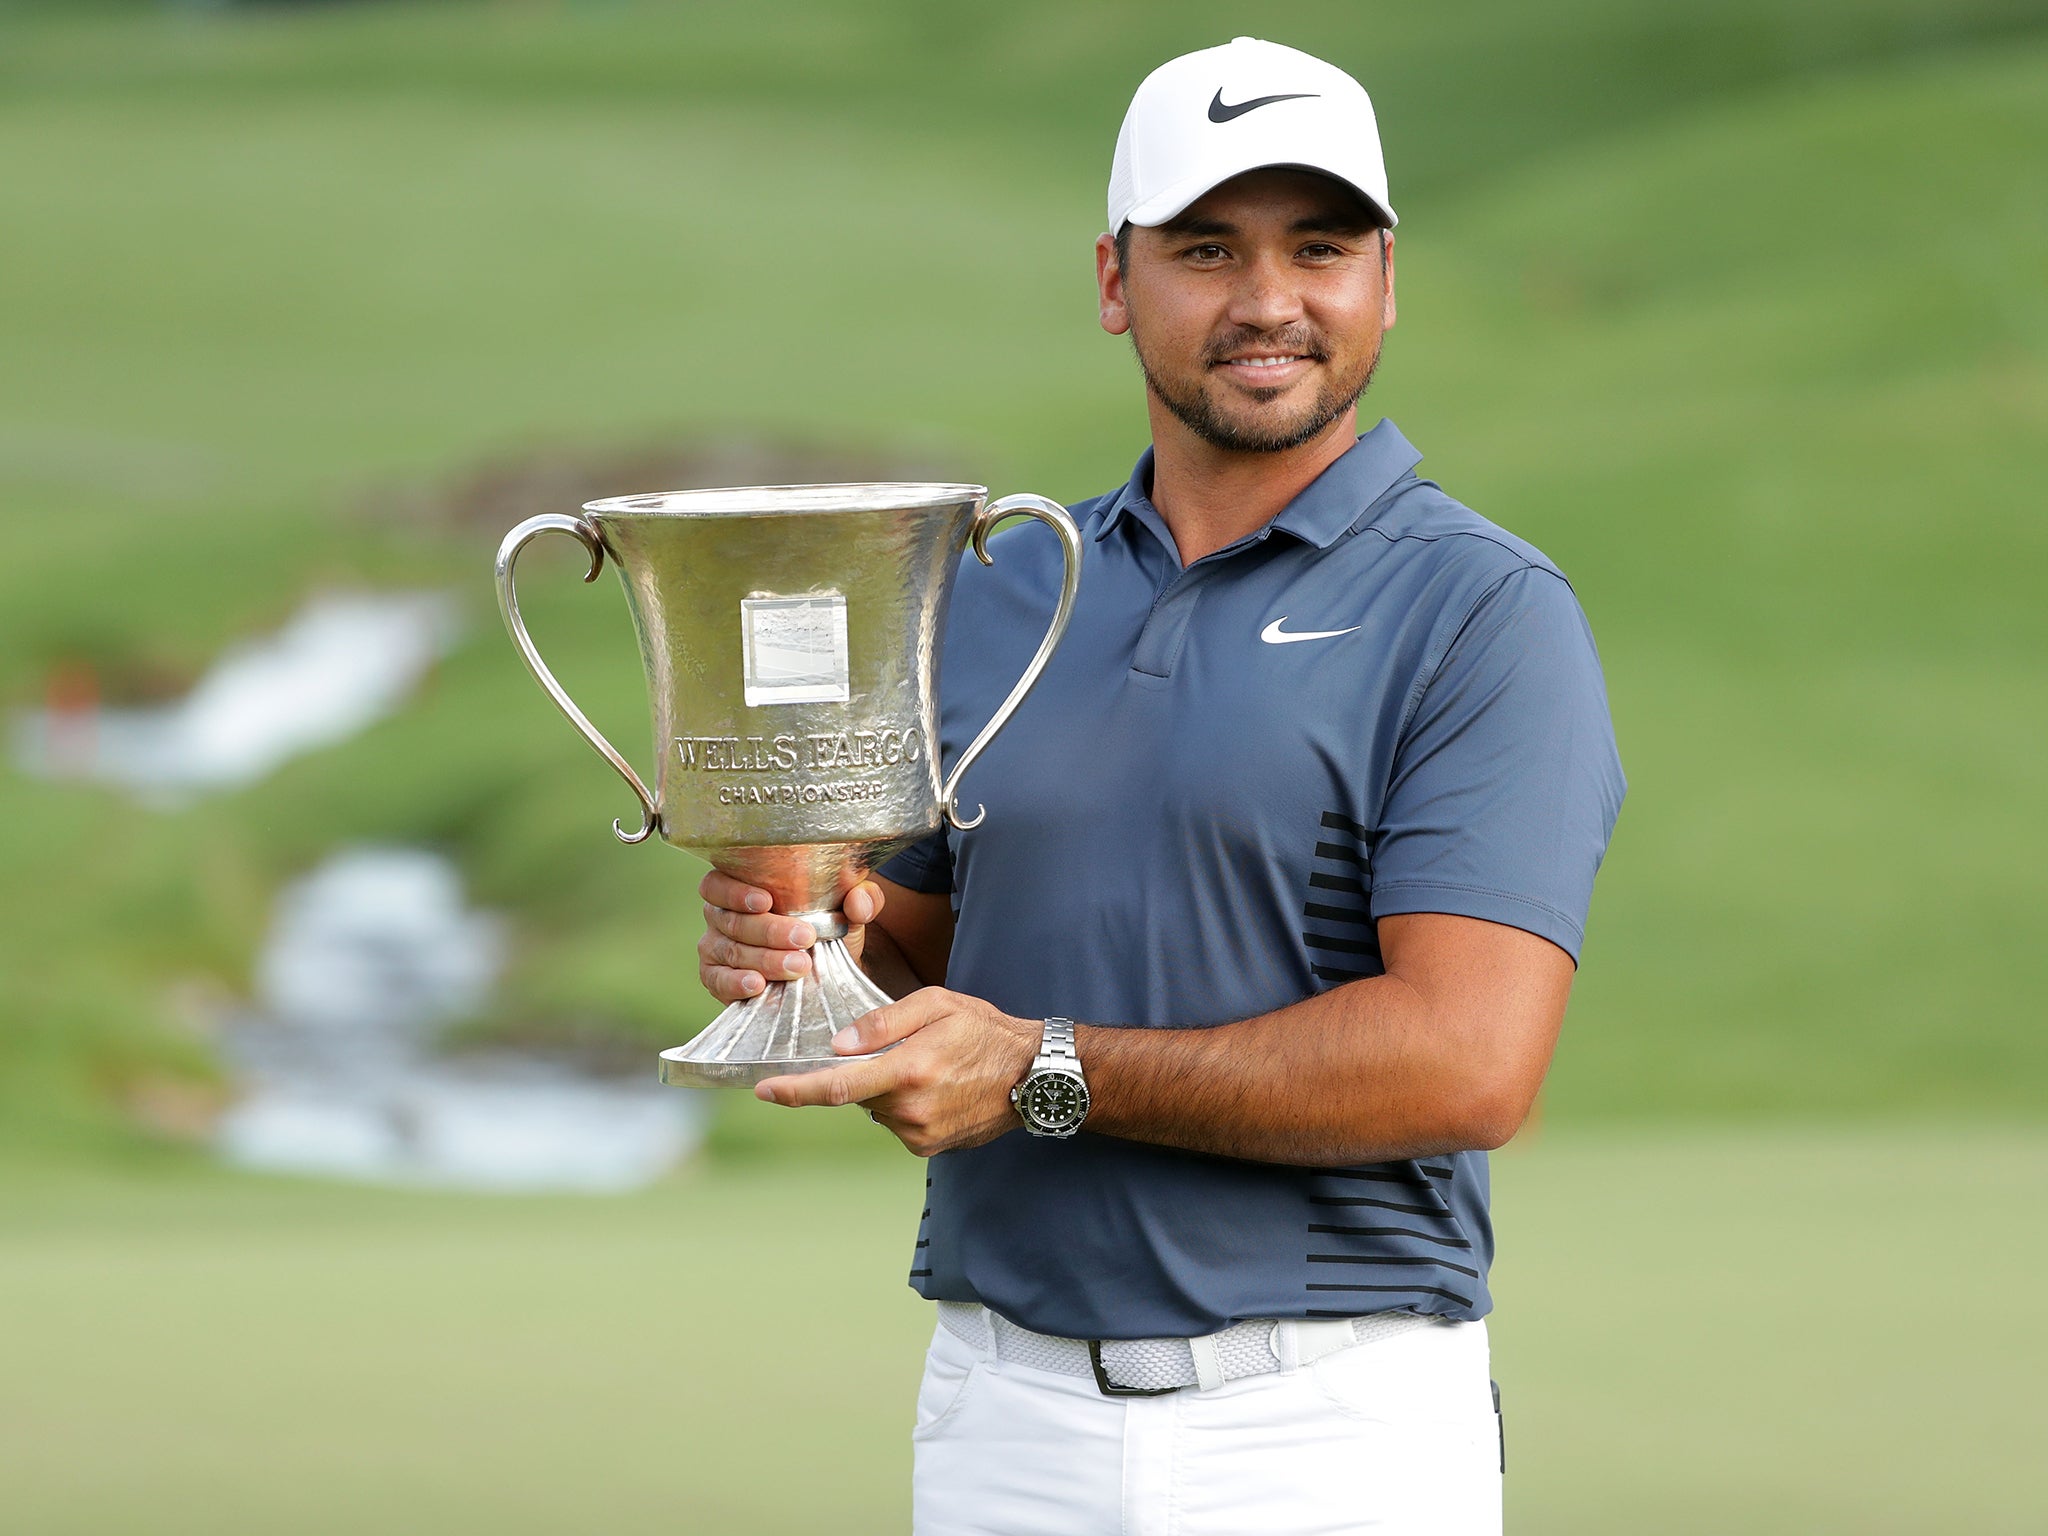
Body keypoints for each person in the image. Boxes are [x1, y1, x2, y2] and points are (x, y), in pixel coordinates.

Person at [697, 36, 1624, 1536]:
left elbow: (1467, 1062)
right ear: (1119, 282)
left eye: (1316, 247)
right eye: (1207, 248)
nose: (1268, 301)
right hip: (1000, 1413)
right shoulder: (997, 587)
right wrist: (815, 947)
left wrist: (1041, 1069)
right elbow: (929, 967)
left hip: (1324, 1427)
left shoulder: (1481, 609)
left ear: (1386, 277)